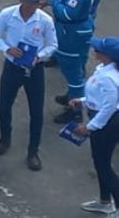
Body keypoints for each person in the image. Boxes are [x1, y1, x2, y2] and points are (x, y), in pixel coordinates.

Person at [0, 0, 56, 171]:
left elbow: (53, 45)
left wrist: (39, 57)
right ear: (20, 0)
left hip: (35, 70)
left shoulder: (45, 20)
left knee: (36, 112)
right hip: (12, 66)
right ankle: (5, 139)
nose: (32, 6)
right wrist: (7, 49)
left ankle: (33, 151)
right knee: (4, 105)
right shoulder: (7, 14)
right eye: (29, 2)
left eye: (36, 2)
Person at [70, 36, 119, 214]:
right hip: (103, 118)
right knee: (100, 162)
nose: (95, 51)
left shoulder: (108, 77)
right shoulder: (104, 69)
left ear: (107, 56)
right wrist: (83, 101)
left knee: (103, 166)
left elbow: (109, 106)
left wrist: (89, 127)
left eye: (99, 50)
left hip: (107, 123)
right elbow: (98, 96)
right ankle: (105, 201)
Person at [50, 0, 101, 123]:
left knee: (73, 71)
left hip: (71, 33)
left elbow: (67, 14)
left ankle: (75, 110)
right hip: (76, 30)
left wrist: (51, 1)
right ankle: (72, 94)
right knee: (76, 67)